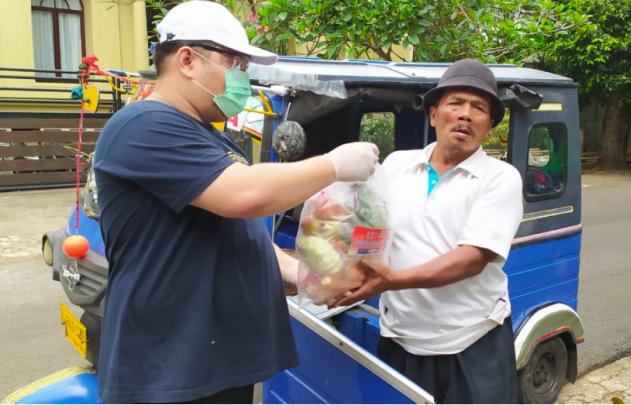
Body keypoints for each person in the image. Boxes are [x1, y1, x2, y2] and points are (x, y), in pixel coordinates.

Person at [92, 1, 379, 403]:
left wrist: (304, 275)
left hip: (214, 364)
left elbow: (235, 231)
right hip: (169, 371)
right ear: (188, 60)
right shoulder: (145, 125)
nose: (243, 78)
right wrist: (333, 165)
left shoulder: (207, 134)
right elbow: (245, 196)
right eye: (235, 64)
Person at [334, 59, 524, 403]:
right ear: (434, 114)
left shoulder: (500, 178)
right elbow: (369, 229)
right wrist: (338, 267)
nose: (466, 114)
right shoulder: (396, 165)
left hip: (471, 341)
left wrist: (389, 280)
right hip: (401, 338)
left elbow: (471, 259)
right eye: (456, 103)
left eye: (478, 108)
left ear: (490, 126)